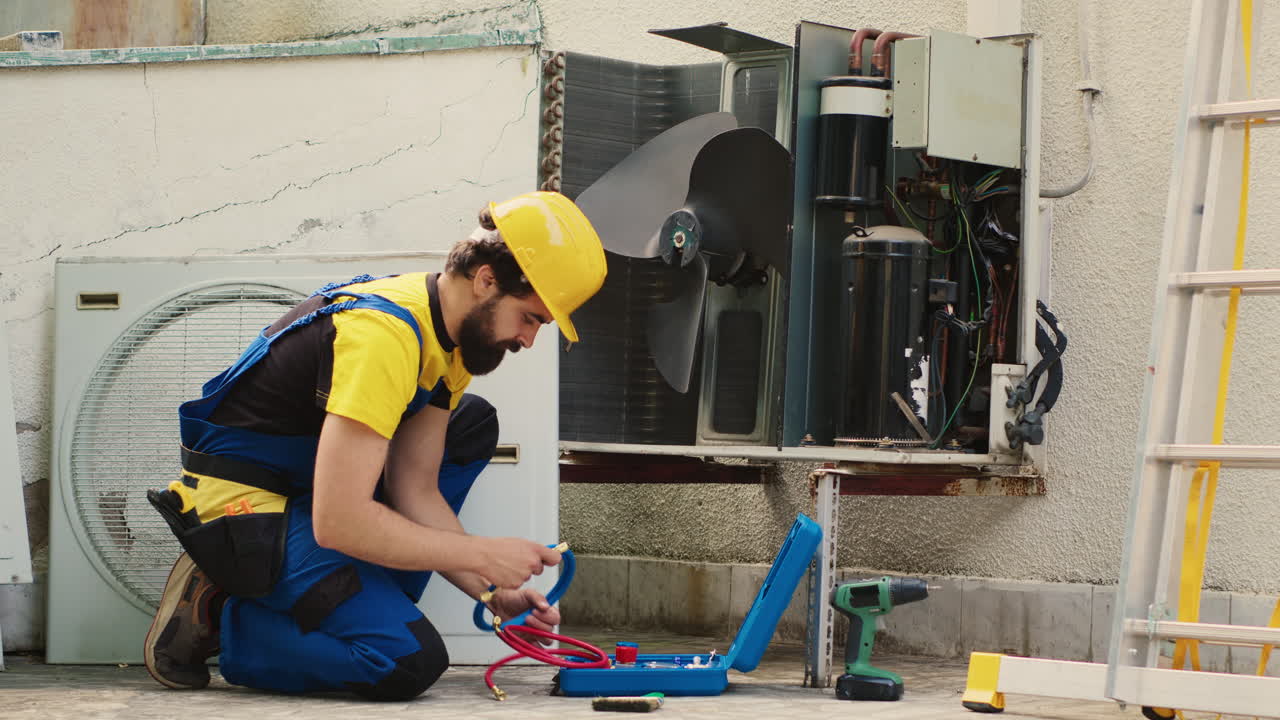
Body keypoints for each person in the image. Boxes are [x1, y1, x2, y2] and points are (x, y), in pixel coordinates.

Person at [142, 191, 607, 699]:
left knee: (470, 427)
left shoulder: (446, 341)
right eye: (531, 318)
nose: (528, 340)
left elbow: (415, 490)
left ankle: (318, 593)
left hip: (311, 495)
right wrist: (482, 553)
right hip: (250, 504)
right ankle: (227, 613)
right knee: (404, 660)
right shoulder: (384, 335)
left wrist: (492, 590)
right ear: (486, 281)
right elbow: (340, 520)